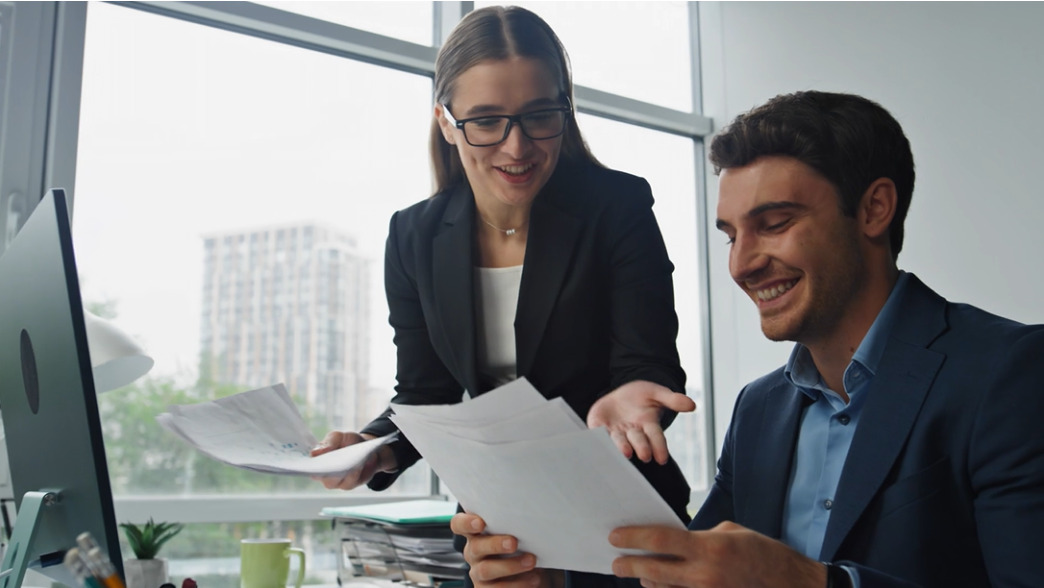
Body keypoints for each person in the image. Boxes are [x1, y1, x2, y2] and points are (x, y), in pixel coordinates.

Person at [457, 90, 1044, 588]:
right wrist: (550, 575)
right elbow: (692, 571)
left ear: (874, 209)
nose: (742, 264)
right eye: (730, 234)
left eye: (775, 223)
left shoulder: (1009, 373)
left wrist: (813, 584)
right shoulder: (760, 409)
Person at [311, 5, 695, 585]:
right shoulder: (414, 236)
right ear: (446, 120)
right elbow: (425, 393)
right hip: (500, 531)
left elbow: (647, 361)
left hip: (623, 515)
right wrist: (374, 446)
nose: (517, 148)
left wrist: (637, 393)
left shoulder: (616, 206)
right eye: (487, 120)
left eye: (540, 115)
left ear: (565, 109)